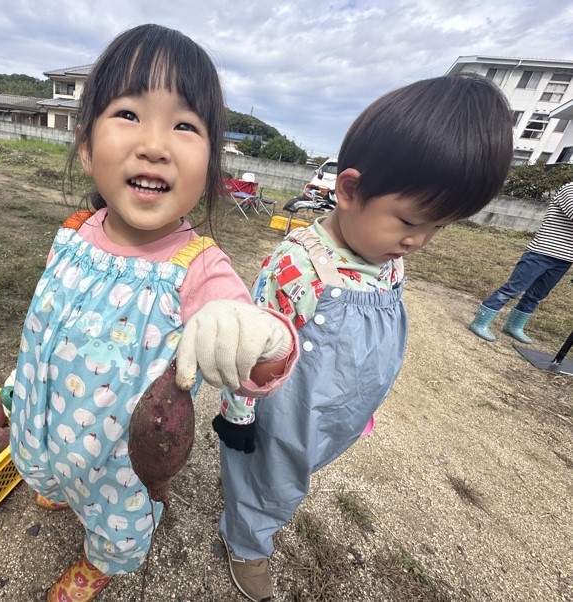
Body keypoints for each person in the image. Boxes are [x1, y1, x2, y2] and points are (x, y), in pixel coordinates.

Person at [8, 24, 298, 602]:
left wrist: (256, 335)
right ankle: (59, 481)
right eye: (129, 114)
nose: (156, 144)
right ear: (87, 150)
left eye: (185, 126)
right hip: (46, 403)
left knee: (115, 513)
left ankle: (102, 560)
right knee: (42, 460)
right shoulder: (74, 231)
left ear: (211, 166)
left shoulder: (200, 268)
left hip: (122, 451)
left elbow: (267, 353)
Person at [215, 73, 514, 602]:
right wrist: (237, 416)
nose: (418, 241)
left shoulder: (384, 252)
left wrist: (360, 397)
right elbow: (250, 351)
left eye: (439, 227)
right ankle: (245, 542)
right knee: (271, 479)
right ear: (349, 190)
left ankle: (255, 507)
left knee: (290, 478)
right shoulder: (300, 267)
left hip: (337, 409)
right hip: (289, 413)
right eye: (409, 221)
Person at [469, 181, 573, 343]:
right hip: (542, 252)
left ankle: (514, 326)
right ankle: (480, 322)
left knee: (537, 295)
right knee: (512, 289)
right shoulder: (570, 188)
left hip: (565, 258)